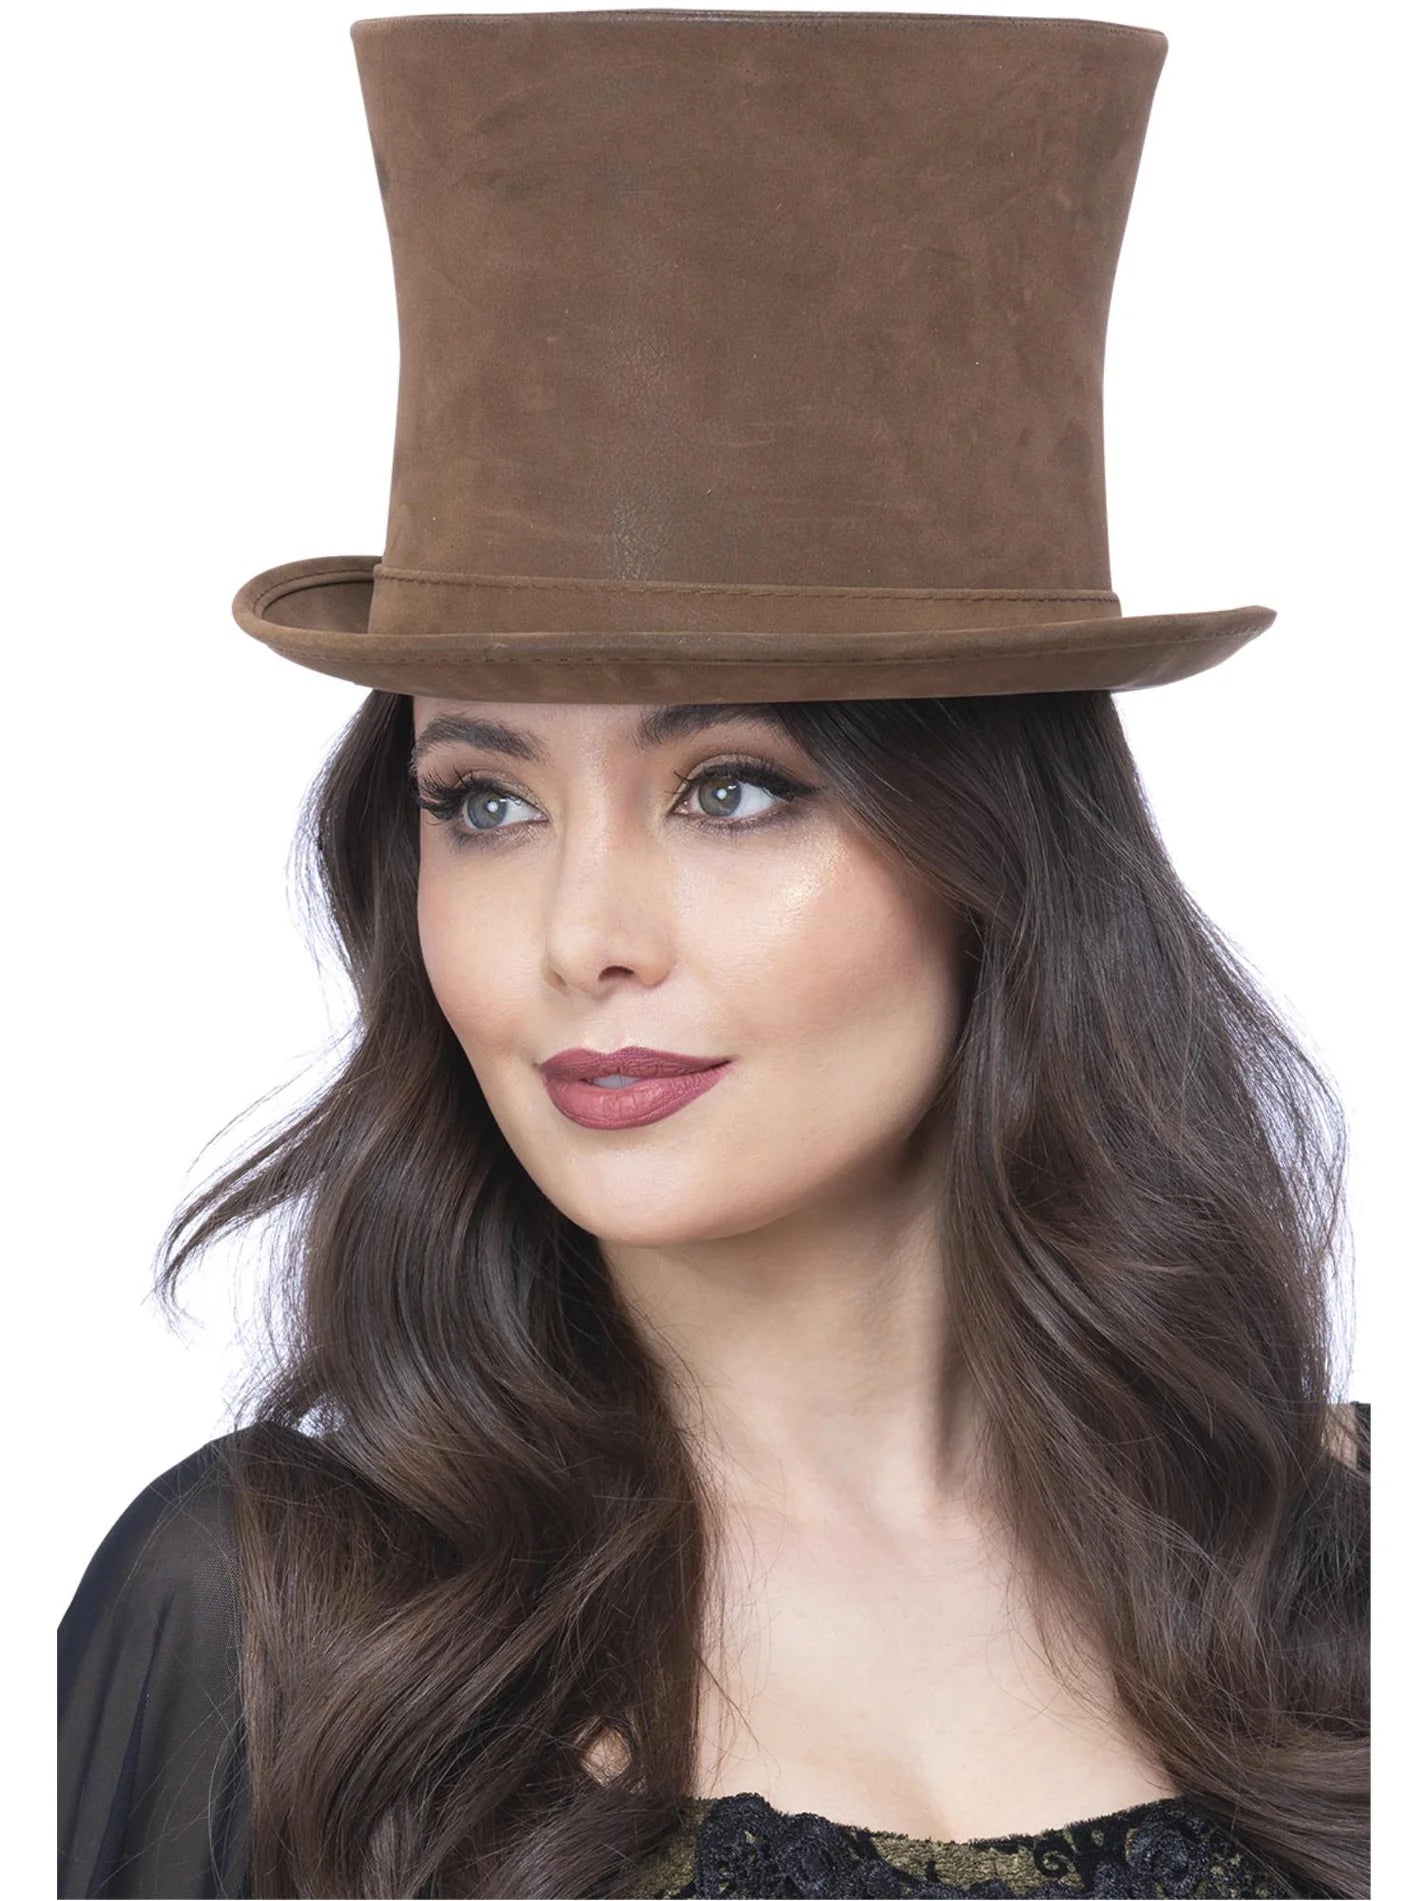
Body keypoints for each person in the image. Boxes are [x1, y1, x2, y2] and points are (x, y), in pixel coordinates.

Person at [58, 13, 1369, 1901]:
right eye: (484, 800)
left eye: (732, 789)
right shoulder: (276, 1621)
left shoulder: (1340, 1573)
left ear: (1001, 851)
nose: (582, 936)